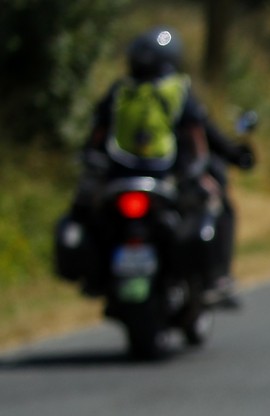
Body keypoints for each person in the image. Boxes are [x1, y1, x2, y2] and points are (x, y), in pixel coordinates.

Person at [69, 26, 254, 308]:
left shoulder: (120, 92)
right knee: (217, 202)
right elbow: (202, 132)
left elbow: (94, 138)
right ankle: (218, 277)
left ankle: (96, 279)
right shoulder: (176, 90)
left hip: (119, 180)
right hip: (164, 180)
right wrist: (235, 154)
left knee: (86, 210)